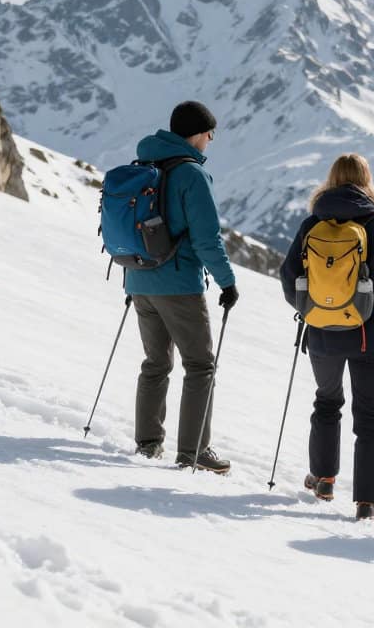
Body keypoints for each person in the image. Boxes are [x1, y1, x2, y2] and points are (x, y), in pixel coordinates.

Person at [279, 154, 374, 522]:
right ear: (367, 181)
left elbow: (289, 275)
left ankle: (323, 479)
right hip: (369, 334)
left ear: (331, 179)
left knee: (326, 401)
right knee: (368, 414)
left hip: (322, 331)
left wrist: (311, 308)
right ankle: (368, 502)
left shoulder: (312, 224)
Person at [126, 101, 239, 473]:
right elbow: (207, 239)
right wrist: (227, 282)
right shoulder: (191, 173)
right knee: (200, 366)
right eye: (209, 133)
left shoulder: (145, 163)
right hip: (177, 284)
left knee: (155, 363)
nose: (211, 140)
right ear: (197, 133)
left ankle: (147, 444)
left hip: (139, 278)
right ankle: (194, 452)